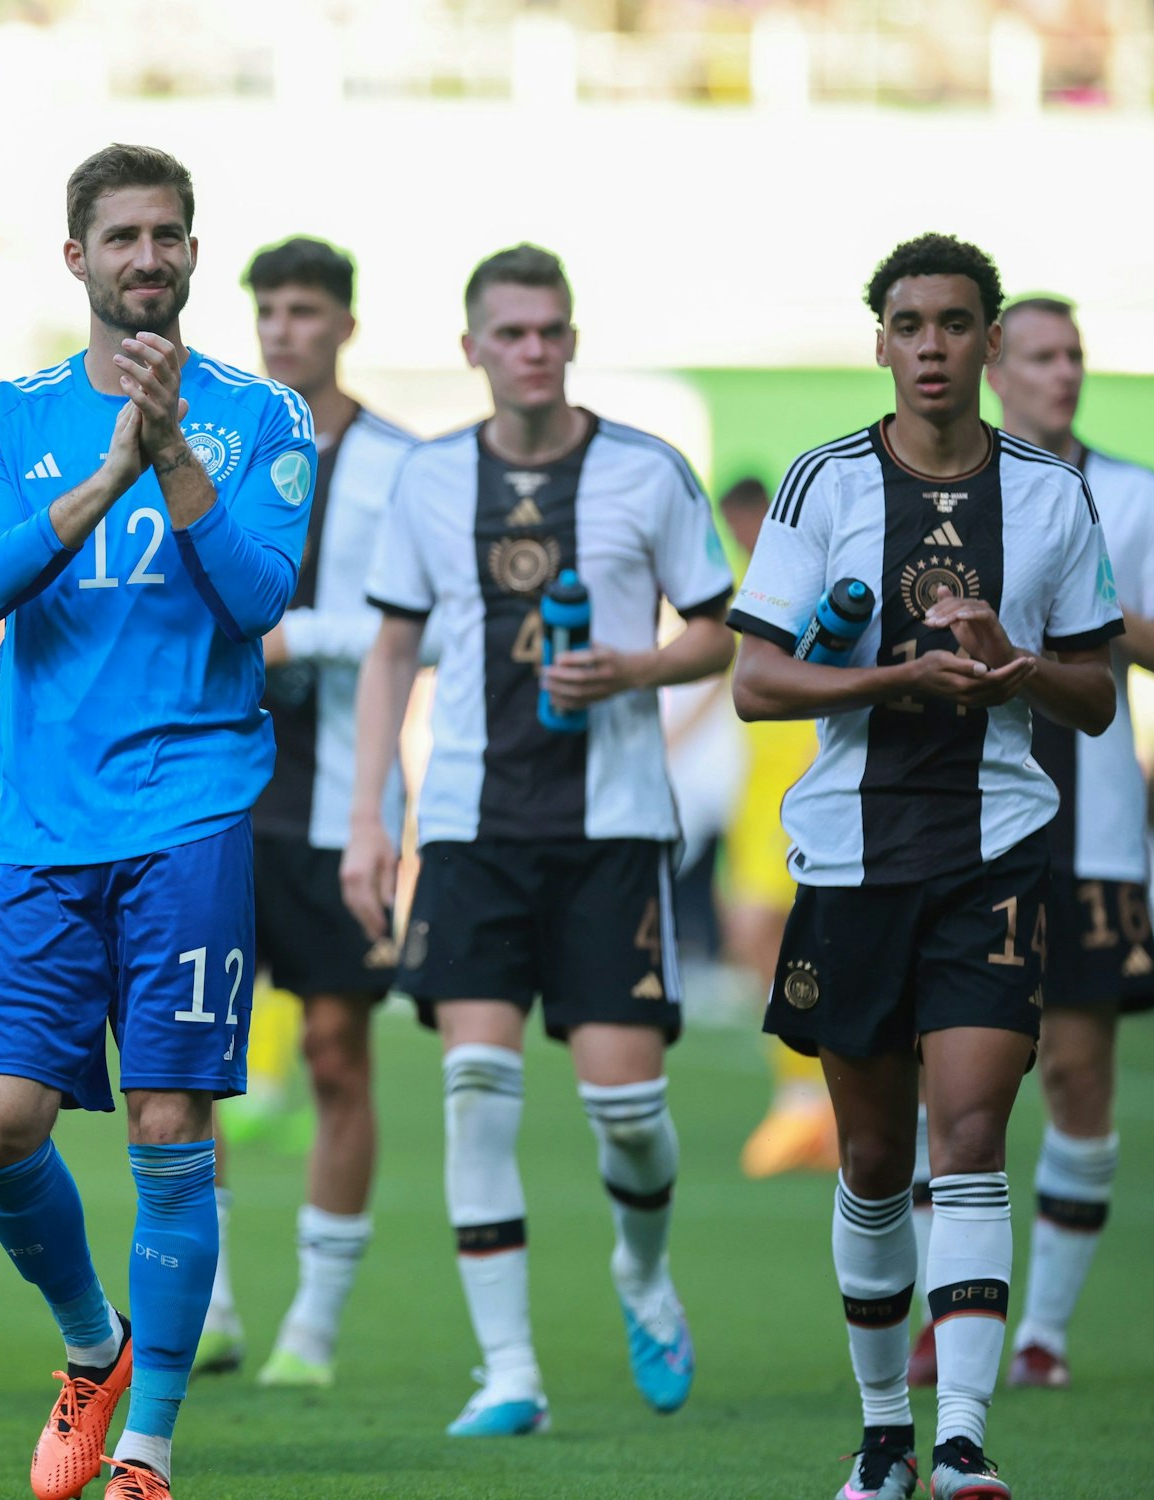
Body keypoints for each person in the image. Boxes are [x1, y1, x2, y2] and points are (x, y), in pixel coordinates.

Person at [0, 144, 314, 1500]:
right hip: (43, 822)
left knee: (171, 1124)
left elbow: (261, 597)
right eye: (122, 237)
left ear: (194, 253)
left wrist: (175, 461)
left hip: (194, 811)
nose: (146, 257)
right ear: (77, 259)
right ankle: (92, 1346)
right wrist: (108, 475)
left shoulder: (262, 417)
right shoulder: (4, 413)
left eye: (168, 235)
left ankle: (146, 1448)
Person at [729, 234, 1120, 1500]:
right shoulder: (820, 484)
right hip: (848, 855)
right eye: (909, 324)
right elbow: (753, 682)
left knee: (967, 1135)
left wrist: (1015, 661)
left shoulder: (1052, 499)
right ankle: (880, 1433)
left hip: (994, 852)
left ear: (987, 342)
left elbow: (1095, 698)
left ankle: (957, 1441)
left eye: (956, 323)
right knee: (870, 1161)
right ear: (881, 342)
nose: (933, 346)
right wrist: (896, 676)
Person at [343, 243, 734, 1437]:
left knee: (628, 1111)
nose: (530, 351)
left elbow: (718, 633)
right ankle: (506, 1368)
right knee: (474, 1084)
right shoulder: (423, 482)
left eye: (549, 331)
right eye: (507, 333)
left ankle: (640, 1271)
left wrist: (637, 667)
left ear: (570, 340)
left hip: (610, 827)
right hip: (468, 825)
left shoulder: (644, 472)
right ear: (470, 348)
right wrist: (368, 819)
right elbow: (391, 651)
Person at [191, 237, 417, 1387]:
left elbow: (409, 631)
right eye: (269, 309)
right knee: (191, 1056)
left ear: (345, 323)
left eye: (306, 309)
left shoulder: (400, 463)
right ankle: (212, 1302)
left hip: (341, 801)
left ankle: (314, 1328)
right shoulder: (217, 445)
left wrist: (294, 633)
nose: (285, 328)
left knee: (335, 1054)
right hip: (219, 792)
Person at [984, 295, 1154, 1389]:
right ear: (993, 367)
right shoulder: (939, 495)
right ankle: (942, 1319)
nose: (1062, 374)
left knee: (1077, 1072)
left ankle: (1040, 1332)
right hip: (960, 821)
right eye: (1040, 356)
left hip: (1088, 827)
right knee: (937, 1076)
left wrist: (1074, 618)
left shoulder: (1131, 494)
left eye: (1074, 355)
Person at [720, 476, 835, 1178]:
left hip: (800, 786)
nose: (742, 537)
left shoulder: (811, 577)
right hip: (754, 790)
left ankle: (809, 1101)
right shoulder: (742, 581)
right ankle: (807, 1093)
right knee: (757, 940)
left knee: (772, 933)